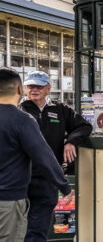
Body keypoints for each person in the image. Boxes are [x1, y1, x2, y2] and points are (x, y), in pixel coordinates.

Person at [0, 68, 72, 241]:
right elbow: (43, 156)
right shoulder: (21, 119)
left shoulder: (58, 110)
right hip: (8, 199)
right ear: (20, 90)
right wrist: (64, 186)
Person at [19, 71, 92, 241]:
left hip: (48, 178)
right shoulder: (19, 110)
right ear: (24, 88)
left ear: (48, 88)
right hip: (22, 177)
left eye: (39, 86)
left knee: (38, 228)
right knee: (18, 226)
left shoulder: (60, 109)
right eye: (31, 86)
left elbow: (84, 126)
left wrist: (71, 142)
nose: (34, 89)